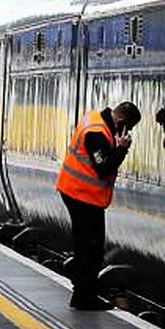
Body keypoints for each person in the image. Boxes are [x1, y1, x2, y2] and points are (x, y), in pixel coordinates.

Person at [56, 101, 141, 310]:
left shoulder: (94, 118)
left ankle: (82, 291)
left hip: (77, 192)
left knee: (86, 246)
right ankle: (83, 297)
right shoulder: (97, 133)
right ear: (121, 121)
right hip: (82, 195)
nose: (126, 132)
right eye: (127, 127)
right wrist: (121, 149)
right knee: (91, 248)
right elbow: (103, 166)